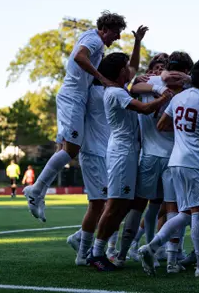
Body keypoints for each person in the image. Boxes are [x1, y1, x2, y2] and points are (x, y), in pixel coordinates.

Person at [23, 11, 127, 222]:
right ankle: (36, 190)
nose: (117, 38)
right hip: (73, 97)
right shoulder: (94, 40)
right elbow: (80, 56)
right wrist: (101, 78)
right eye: (116, 33)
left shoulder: (92, 38)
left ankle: (38, 192)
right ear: (105, 29)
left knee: (66, 148)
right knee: (72, 149)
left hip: (74, 97)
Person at [138, 58, 199, 278]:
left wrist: (183, 132)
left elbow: (162, 124)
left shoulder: (178, 98)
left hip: (175, 161)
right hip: (196, 163)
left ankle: (151, 246)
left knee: (185, 213)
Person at [65, 25, 148, 266]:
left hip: (109, 151)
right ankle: (87, 252)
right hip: (95, 151)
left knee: (111, 204)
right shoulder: (97, 91)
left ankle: (82, 242)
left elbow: (131, 69)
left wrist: (137, 43)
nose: (129, 72)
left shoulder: (116, 88)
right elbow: (81, 61)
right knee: (101, 204)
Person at [85, 52, 174, 272]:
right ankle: (96, 253)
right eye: (126, 67)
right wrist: (165, 96)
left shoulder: (120, 89)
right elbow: (144, 108)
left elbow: (135, 79)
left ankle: (100, 250)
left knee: (123, 205)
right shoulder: (116, 92)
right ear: (118, 72)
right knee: (114, 205)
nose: (130, 70)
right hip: (122, 154)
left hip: (129, 152)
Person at [120, 52, 194, 273]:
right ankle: (172, 259)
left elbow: (132, 89)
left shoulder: (148, 81)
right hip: (174, 156)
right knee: (174, 207)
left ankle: (122, 254)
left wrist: (156, 83)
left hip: (149, 155)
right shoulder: (189, 87)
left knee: (140, 205)